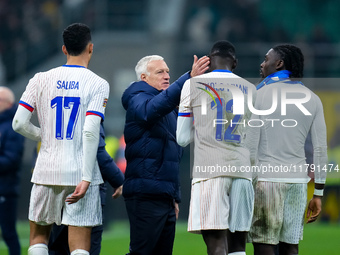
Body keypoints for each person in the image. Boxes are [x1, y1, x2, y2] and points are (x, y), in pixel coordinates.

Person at [12, 23, 110, 255]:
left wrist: (42, 136)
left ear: (64, 49)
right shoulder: (98, 83)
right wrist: (87, 177)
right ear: (91, 48)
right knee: (79, 247)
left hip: (46, 170)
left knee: (38, 240)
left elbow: (18, 123)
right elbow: (89, 130)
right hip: (80, 174)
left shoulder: (41, 78)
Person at [121, 54, 209, 255]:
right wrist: (188, 78)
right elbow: (149, 110)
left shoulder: (168, 109)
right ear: (144, 78)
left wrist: (174, 197)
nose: (167, 75)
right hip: (145, 192)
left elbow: (172, 155)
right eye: (160, 72)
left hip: (163, 195)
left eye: (168, 71)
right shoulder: (137, 97)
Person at [176, 41, 257, 255]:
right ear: (235, 63)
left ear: (209, 61)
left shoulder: (193, 84)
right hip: (242, 172)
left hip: (210, 171)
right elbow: (254, 139)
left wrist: (203, 127)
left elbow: (182, 138)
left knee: (216, 244)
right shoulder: (250, 88)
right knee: (238, 246)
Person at [247, 44, 328, 255]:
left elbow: (250, 143)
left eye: (266, 59)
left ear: (279, 63)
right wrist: (318, 194)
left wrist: (246, 181)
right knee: (290, 246)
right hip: (298, 183)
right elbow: (320, 149)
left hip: (266, 180)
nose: (262, 64)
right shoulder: (312, 98)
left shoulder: (259, 94)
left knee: (264, 242)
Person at [46, 123, 124, 255]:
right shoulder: (89, 113)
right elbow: (97, 150)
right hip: (87, 189)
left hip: (57, 184)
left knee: (57, 246)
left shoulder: (56, 114)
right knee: (84, 248)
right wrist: (118, 179)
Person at [0, 86, 25, 255]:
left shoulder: (14, 126)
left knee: (8, 232)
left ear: (8, 103)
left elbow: (12, 159)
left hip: (5, 188)